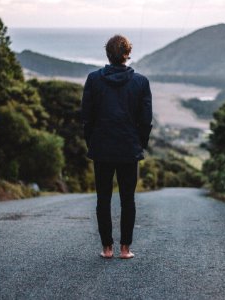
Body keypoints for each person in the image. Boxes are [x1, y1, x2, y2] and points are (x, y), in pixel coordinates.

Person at [81, 34, 153, 259]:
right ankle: (125, 249)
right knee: (127, 200)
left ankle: (107, 249)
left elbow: (86, 117)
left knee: (103, 199)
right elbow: (146, 120)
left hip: (102, 148)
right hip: (129, 149)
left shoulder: (93, 79)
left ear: (108, 55)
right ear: (126, 55)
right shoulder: (141, 82)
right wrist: (139, 144)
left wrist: (92, 143)